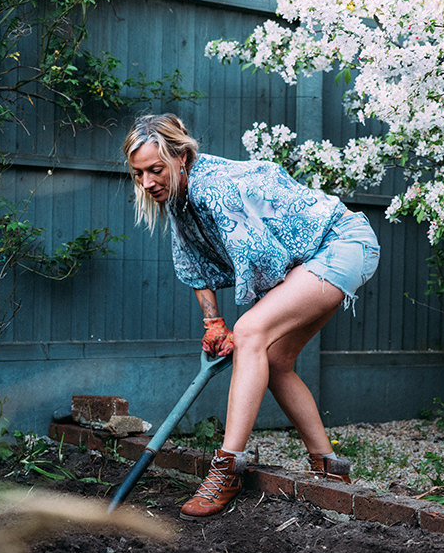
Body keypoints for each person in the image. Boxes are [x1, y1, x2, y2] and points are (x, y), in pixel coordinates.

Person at [122, 113, 380, 520]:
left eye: (156, 170)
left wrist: (240, 332)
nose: (148, 182)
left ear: (182, 157)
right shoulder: (177, 196)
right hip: (314, 255)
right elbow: (190, 262)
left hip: (343, 243)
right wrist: (213, 324)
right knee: (274, 361)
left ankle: (227, 468)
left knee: (252, 331)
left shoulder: (216, 188)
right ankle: (329, 468)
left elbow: (262, 259)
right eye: (139, 175)